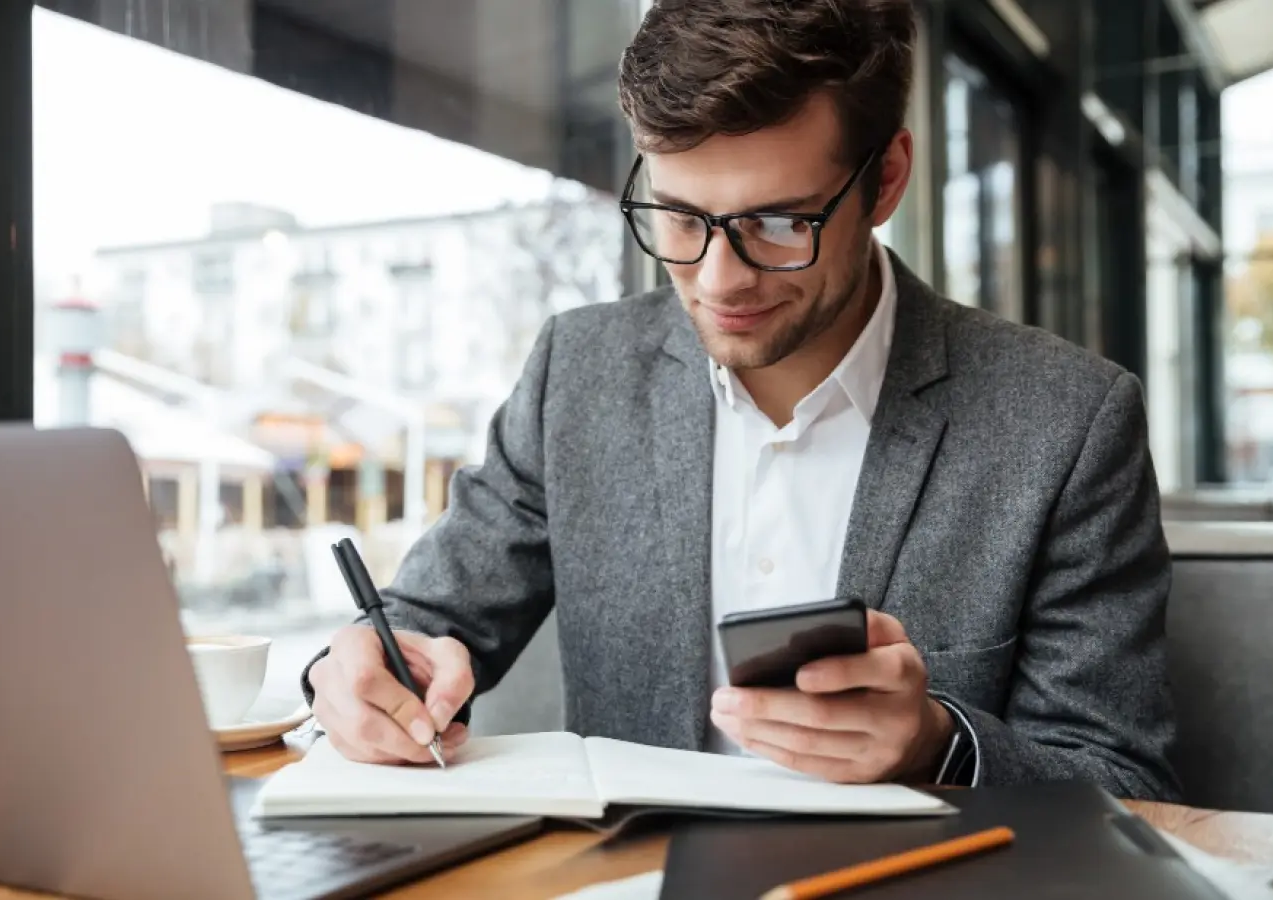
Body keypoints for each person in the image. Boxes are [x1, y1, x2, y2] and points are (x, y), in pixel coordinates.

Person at [301, 0, 1180, 799]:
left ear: (887, 179)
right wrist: (362, 673)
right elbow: (426, 622)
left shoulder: (1067, 423)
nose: (719, 280)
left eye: (779, 223)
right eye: (681, 218)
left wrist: (938, 745)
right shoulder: (580, 372)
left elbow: (1126, 786)